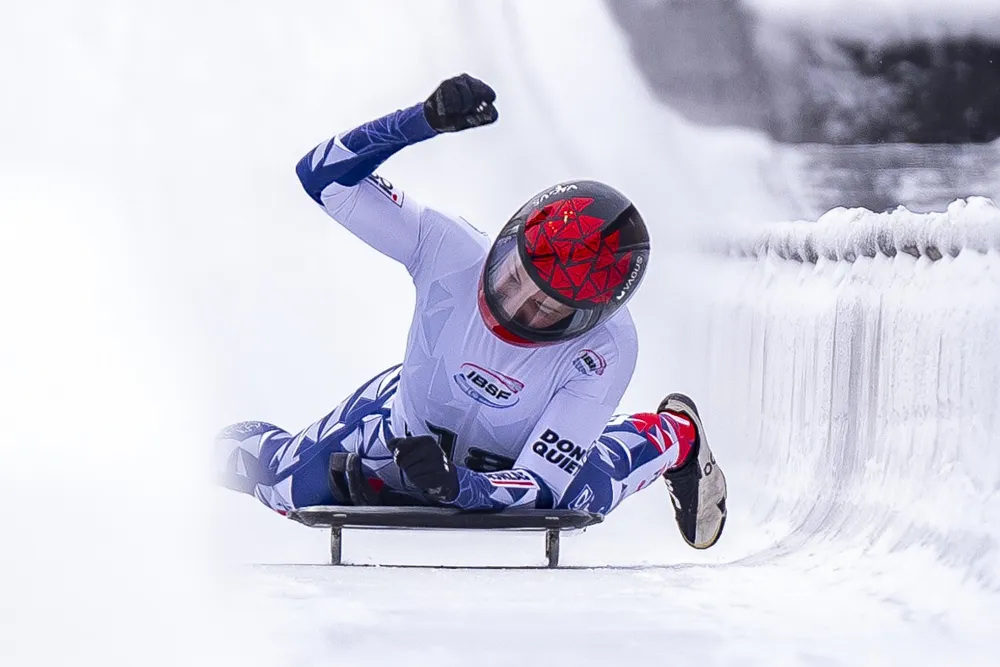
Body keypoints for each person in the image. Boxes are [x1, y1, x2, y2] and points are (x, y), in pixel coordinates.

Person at [216, 74, 727, 549]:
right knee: (283, 482)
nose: (514, 305)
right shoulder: (448, 248)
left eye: (545, 309)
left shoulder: (607, 348)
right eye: (512, 276)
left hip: (511, 462)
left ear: (586, 320)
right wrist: (421, 121)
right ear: (506, 241)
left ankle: (675, 436)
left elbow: (542, 485)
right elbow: (321, 176)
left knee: (576, 501)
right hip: (400, 427)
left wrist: (461, 486)